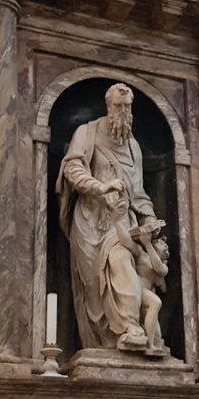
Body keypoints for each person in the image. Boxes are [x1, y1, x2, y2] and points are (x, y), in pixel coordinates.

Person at [56, 83, 162, 351]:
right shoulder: (87, 132)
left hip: (120, 220)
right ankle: (102, 347)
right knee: (94, 291)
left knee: (121, 260)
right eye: (118, 106)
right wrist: (100, 187)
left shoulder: (133, 147)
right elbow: (72, 167)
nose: (123, 111)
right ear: (108, 106)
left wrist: (149, 218)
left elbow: (138, 192)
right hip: (89, 220)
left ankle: (131, 328)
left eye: (127, 107)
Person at [111, 202, 170, 355]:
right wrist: (117, 222)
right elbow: (126, 241)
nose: (166, 248)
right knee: (156, 302)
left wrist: (147, 244)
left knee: (157, 336)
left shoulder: (162, 266)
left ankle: (152, 344)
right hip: (138, 293)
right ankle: (149, 345)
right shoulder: (141, 254)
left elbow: (158, 268)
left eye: (167, 248)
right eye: (162, 244)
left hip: (146, 296)